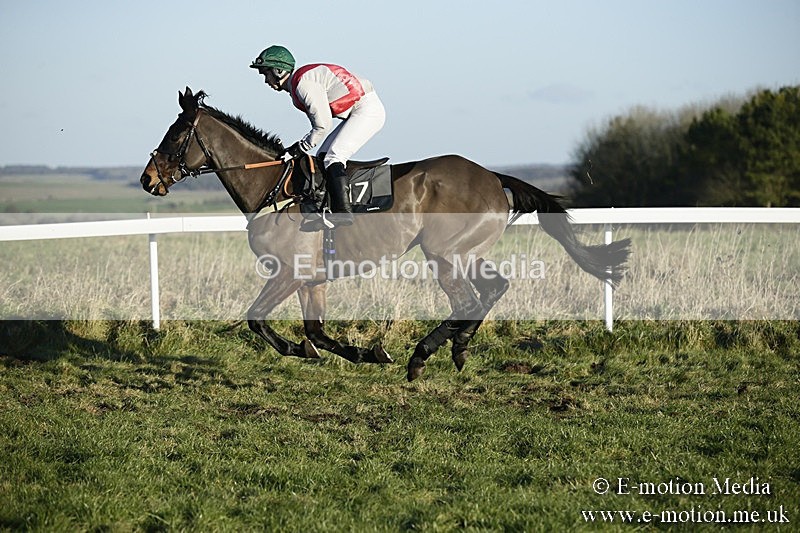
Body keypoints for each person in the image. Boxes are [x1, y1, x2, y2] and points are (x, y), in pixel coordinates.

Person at [250, 45, 386, 229]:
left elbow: (322, 126)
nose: (266, 80)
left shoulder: (303, 85)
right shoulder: (298, 84)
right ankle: (328, 207)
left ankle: (343, 213)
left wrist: (299, 148)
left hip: (367, 110)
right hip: (359, 109)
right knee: (323, 156)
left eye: (266, 73)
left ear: (278, 70)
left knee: (334, 156)